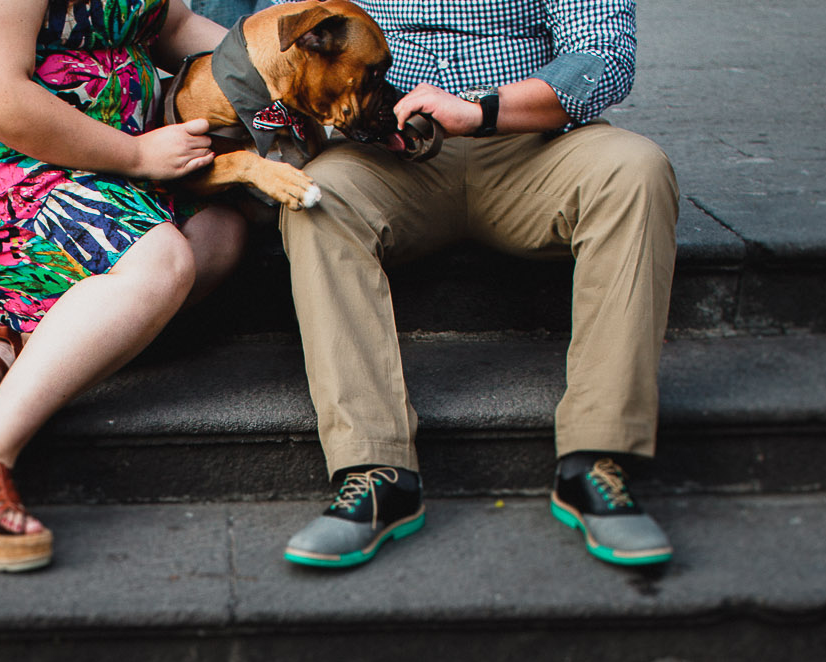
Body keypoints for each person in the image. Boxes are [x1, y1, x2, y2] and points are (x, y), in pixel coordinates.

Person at [273, 0, 679, 570]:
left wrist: (481, 111)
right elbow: (282, 36)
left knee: (636, 169)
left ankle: (597, 456)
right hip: (386, 156)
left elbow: (603, 56)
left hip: (532, 143)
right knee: (314, 195)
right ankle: (375, 468)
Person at [0, 0, 246, 571]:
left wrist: (275, 64)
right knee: (159, 264)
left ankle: (13, 331)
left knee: (219, 236)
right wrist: (138, 153)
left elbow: (169, 25)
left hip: (98, 161)